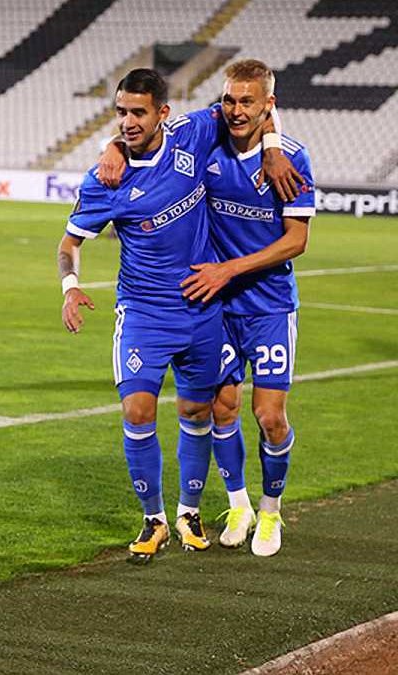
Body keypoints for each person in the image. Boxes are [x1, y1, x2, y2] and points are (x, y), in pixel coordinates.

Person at [59, 68, 296, 564]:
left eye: (138, 113)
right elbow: (69, 244)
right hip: (144, 313)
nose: (128, 122)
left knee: (196, 412)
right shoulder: (105, 178)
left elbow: (252, 110)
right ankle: (154, 519)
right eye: (120, 113)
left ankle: (189, 512)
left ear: (163, 113)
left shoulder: (193, 133)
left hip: (202, 310)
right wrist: (71, 286)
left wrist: (273, 147)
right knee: (136, 411)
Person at [183, 60, 314, 556]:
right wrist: (113, 146)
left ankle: (271, 511)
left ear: (268, 105)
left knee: (270, 416)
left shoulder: (292, 159)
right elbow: (151, 131)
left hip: (270, 307)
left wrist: (229, 269)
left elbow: (296, 241)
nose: (236, 111)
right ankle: (238, 505)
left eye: (247, 102)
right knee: (222, 407)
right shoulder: (208, 145)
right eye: (229, 100)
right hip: (217, 307)